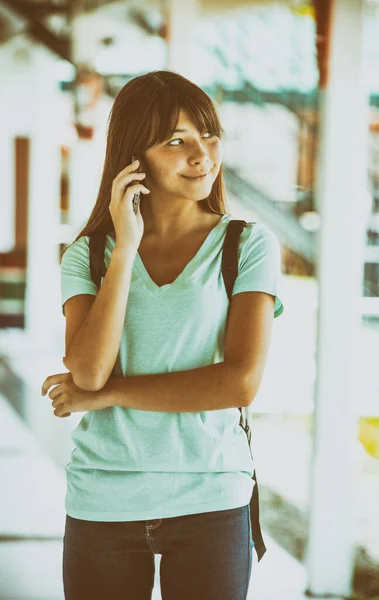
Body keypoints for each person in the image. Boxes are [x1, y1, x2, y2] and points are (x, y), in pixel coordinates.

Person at [41, 70, 284, 600]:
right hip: (103, 496)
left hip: (211, 499)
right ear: (134, 157)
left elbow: (239, 383)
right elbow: (86, 369)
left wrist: (105, 397)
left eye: (208, 135)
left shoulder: (248, 246)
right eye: (176, 141)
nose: (202, 155)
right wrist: (124, 249)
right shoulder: (88, 254)